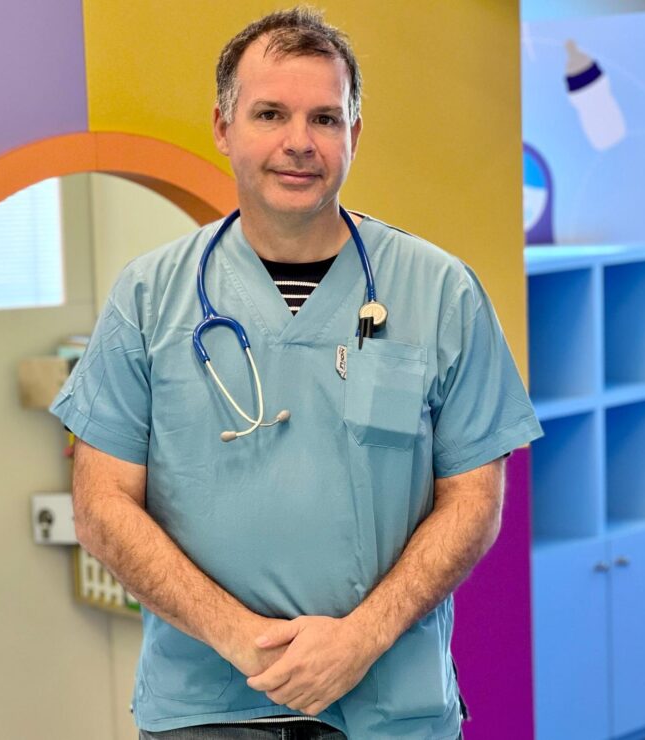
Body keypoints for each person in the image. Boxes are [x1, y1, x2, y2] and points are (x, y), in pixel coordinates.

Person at [50, 7, 542, 739]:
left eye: (325, 118)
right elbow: (101, 505)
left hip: (390, 705)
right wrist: (239, 637)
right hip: (208, 708)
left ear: (354, 134)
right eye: (270, 114)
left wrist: (362, 638)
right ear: (223, 127)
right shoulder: (150, 298)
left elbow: (474, 499)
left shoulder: (440, 292)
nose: (299, 142)